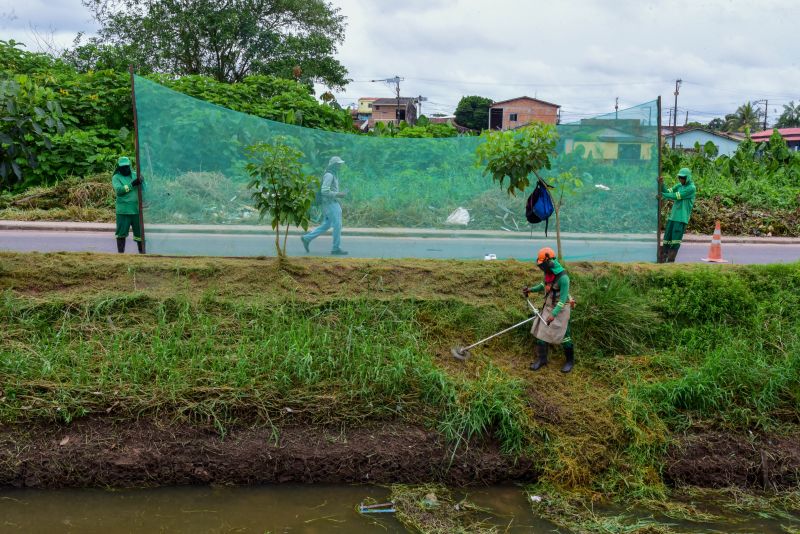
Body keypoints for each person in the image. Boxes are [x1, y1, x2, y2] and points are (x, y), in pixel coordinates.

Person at [523, 247, 575, 373]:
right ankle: (542, 360)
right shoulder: (548, 272)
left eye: (542, 265)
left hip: (561, 309)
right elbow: (543, 285)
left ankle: (570, 361)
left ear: (549, 262)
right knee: (541, 333)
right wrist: (530, 290)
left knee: (564, 336)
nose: (541, 267)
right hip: (549, 306)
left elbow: (562, 301)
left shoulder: (564, 278)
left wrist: (554, 314)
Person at [301, 156, 348, 255]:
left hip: (330, 203)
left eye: (340, 164)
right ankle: (336, 248)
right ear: (334, 165)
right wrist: (338, 194)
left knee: (327, 224)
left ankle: (306, 238)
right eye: (338, 164)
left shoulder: (333, 174)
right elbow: (324, 191)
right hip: (330, 204)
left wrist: (338, 199)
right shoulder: (329, 175)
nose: (340, 166)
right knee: (337, 225)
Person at [659, 167, 696, 263]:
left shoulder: (691, 188)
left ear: (688, 177)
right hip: (672, 217)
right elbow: (668, 192)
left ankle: (670, 261)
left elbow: (677, 196)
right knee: (666, 239)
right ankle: (662, 260)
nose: (681, 179)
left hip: (681, 219)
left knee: (675, 241)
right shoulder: (679, 185)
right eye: (679, 177)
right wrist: (662, 184)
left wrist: (663, 195)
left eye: (683, 177)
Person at [111, 156, 144, 253]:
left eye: (127, 166)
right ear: (119, 167)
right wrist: (132, 184)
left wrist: (142, 181)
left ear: (130, 166)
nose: (125, 168)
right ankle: (121, 256)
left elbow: (144, 190)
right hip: (123, 211)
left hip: (136, 210)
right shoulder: (116, 177)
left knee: (140, 235)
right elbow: (119, 191)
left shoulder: (135, 175)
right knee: (121, 234)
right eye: (123, 166)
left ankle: (143, 256)